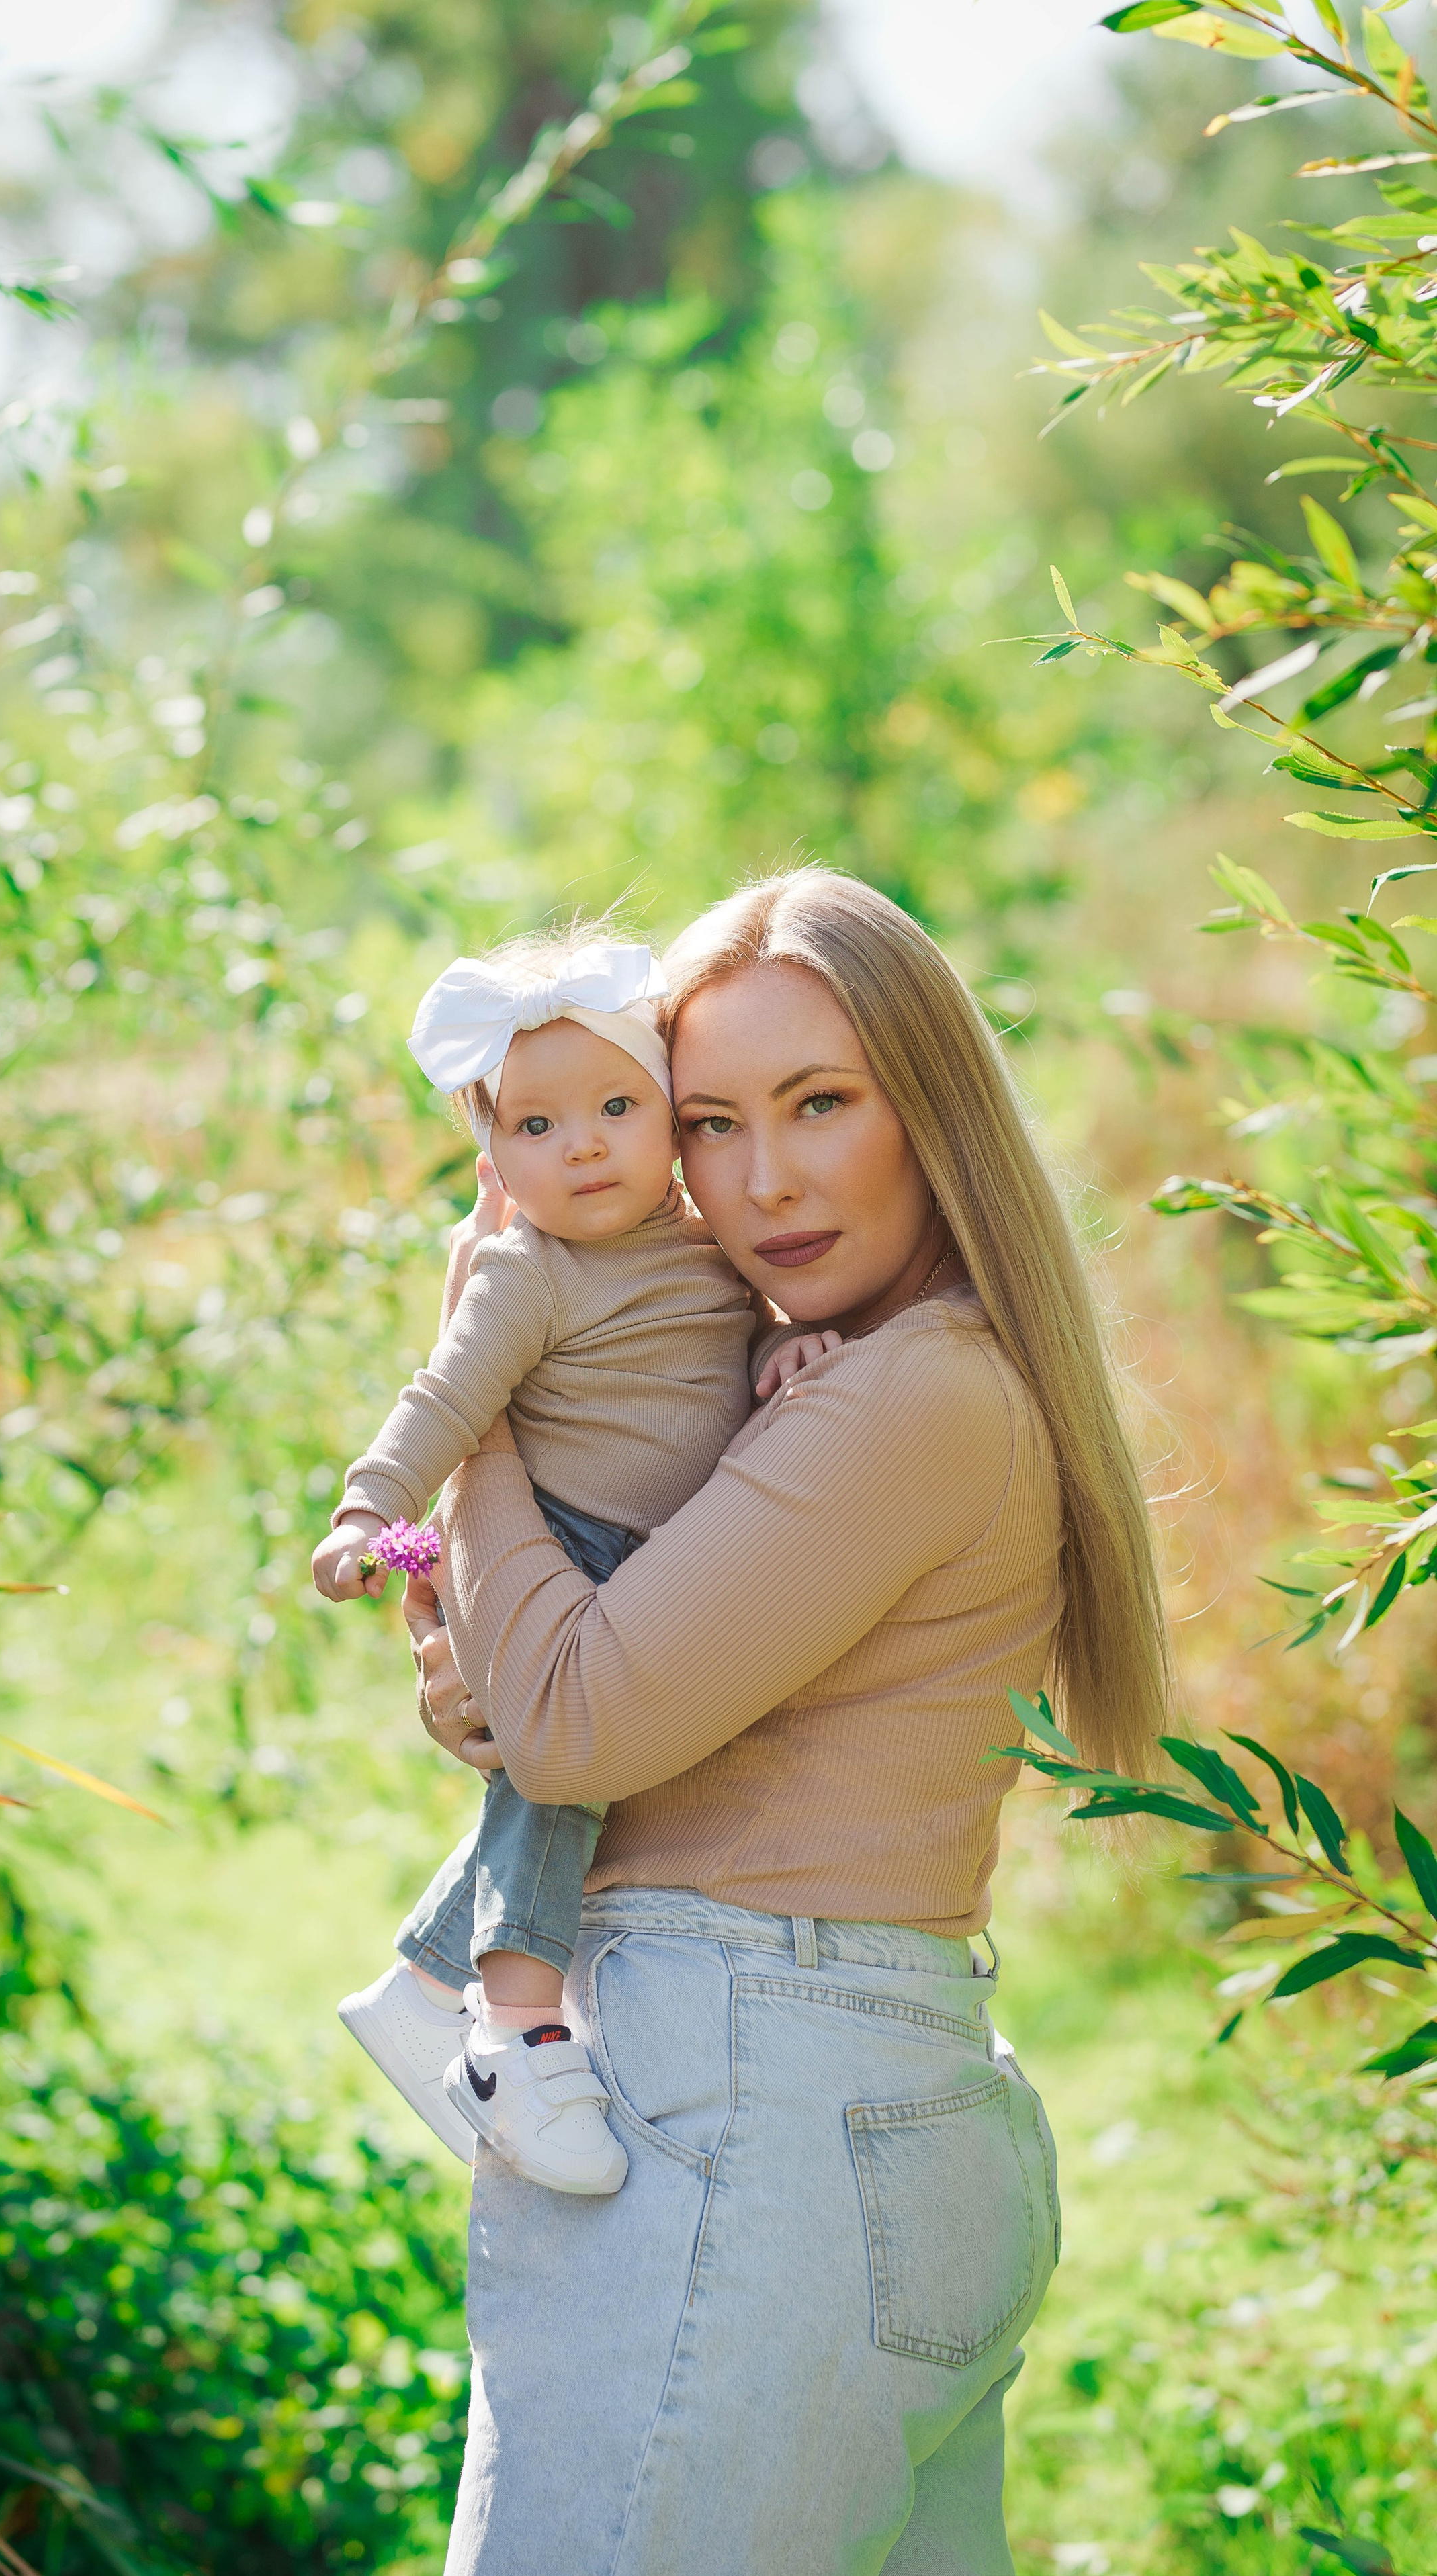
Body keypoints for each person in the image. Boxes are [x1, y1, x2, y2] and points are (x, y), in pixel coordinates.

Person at [404, 869, 1169, 2575]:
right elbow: (531, 1688)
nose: (764, 1181)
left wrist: (481, 1395)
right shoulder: (831, 1377)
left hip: (753, 2109)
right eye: (709, 1123)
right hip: (848, 2112)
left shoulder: (910, 1391)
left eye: (820, 1102)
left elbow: (574, 1723)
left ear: (931, 1107)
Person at [312, 926, 837, 2194]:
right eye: (536, 1128)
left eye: (615, 1106)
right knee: (565, 1771)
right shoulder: (524, 1273)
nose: (585, 1144)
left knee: (591, 1780)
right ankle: (518, 2030)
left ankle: (425, 1984)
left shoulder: (705, 1242)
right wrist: (364, 1506)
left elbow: (720, 1350)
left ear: (671, 1116)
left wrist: (777, 1362)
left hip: (668, 1544)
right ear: (489, 1155)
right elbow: (443, 1398)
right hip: (566, 1542)